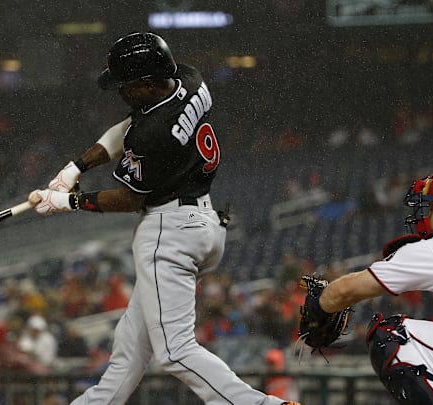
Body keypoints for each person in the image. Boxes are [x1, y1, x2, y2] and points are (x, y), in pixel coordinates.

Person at [28, 32, 297, 405]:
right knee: (130, 348)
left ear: (150, 82)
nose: (121, 92)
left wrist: (65, 201)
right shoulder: (189, 79)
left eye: (127, 85)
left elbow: (126, 198)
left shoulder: (152, 134)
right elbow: (128, 125)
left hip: (169, 230)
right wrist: (76, 166)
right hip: (201, 220)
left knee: (174, 350)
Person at [311, 166, 433, 405]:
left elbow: (345, 291)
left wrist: (317, 309)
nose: (427, 216)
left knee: (392, 333)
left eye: (432, 207)